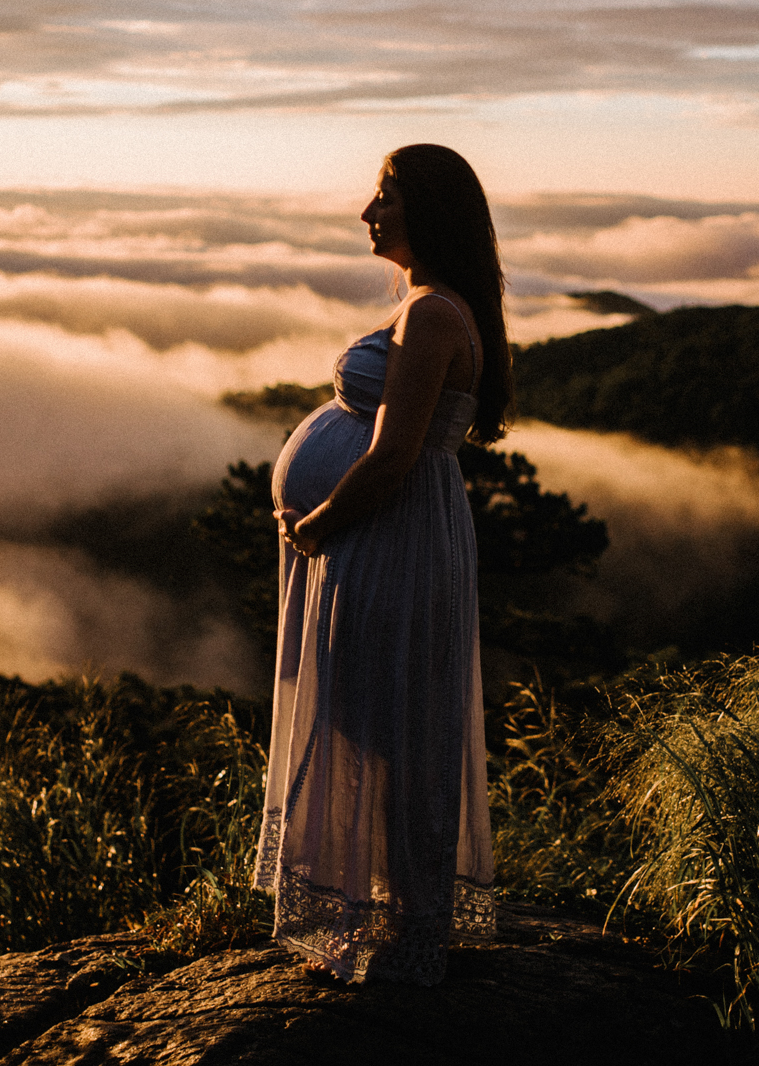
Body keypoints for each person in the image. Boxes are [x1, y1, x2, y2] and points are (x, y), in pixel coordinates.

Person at [255, 142, 510, 986]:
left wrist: (318, 523)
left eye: (386, 198)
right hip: (389, 534)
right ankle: (386, 917)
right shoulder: (430, 307)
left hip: (389, 534)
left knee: (391, 724)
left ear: (429, 211)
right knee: (380, 718)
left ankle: (403, 928)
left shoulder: (434, 313)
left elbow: (395, 452)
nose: (369, 213)